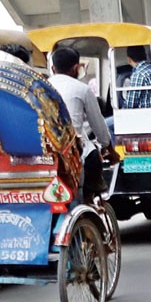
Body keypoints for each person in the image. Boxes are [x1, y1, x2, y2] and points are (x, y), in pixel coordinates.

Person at [48, 47, 120, 203]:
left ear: (53, 69)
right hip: (73, 151)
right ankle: (88, 202)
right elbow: (98, 126)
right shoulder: (82, 89)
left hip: (46, 149)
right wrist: (110, 149)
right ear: (76, 68)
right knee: (92, 156)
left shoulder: (42, 88)